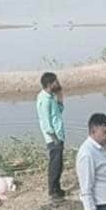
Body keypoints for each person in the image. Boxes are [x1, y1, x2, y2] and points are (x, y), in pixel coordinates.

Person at [37, 72, 66, 201]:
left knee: (58, 164)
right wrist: (55, 139)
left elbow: (59, 112)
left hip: (58, 135)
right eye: (56, 82)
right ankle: (53, 192)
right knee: (55, 165)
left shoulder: (51, 97)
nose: (58, 84)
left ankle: (57, 189)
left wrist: (60, 97)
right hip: (54, 138)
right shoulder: (44, 100)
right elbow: (46, 123)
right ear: (49, 84)